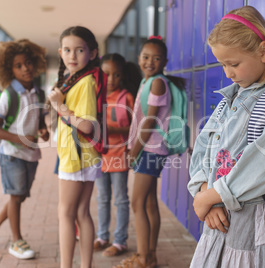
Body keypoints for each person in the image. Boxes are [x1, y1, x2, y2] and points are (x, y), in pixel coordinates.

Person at [187, 6, 265, 267]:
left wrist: (209, 197)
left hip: (248, 222)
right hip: (216, 216)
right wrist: (204, 190)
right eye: (223, 64)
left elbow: (264, 165)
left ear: (263, 51)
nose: (227, 73)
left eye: (233, 64)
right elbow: (205, 144)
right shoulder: (234, 95)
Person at [115, 36, 185, 268]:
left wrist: (134, 150)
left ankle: (143, 258)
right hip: (151, 149)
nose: (150, 62)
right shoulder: (148, 82)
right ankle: (150, 255)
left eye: (156, 58)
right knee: (148, 204)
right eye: (146, 57)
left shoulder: (157, 83)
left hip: (150, 149)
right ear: (139, 59)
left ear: (165, 61)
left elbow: (149, 120)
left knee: (137, 203)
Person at [0, 39, 49, 259]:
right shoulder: (9, 95)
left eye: (28, 63)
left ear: (35, 63)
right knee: (16, 196)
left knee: (19, 197)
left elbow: (39, 122)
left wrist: (43, 130)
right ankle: (16, 241)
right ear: (10, 70)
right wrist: (19, 139)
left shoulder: (39, 93)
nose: (25, 68)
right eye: (18, 65)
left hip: (31, 154)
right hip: (12, 153)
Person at [48, 26, 104, 268]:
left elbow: (88, 126)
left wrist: (60, 107)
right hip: (80, 154)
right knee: (81, 212)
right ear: (60, 52)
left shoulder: (84, 82)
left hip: (77, 154)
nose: (72, 56)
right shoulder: (76, 80)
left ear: (91, 53)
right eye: (68, 50)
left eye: (79, 50)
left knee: (67, 214)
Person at [93, 53, 141, 257]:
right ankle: (102, 236)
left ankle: (120, 241)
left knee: (120, 199)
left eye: (116, 75)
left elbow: (135, 127)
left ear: (123, 76)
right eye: (106, 74)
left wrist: (112, 131)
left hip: (119, 155)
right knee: (102, 198)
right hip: (99, 157)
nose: (111, 79)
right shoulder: (95, 96)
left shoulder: (126, 97)